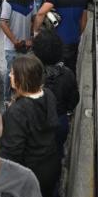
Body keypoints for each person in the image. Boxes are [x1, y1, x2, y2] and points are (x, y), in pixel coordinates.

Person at [0, 54, 60, 197]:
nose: (9, 75)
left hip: (30, 174)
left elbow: (11, 153)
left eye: (13, 73)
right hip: (51, 165)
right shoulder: (48, 94)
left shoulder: (17, 112)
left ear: (22, 79)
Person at [31, 30, 79, 159]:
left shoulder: (32, 74)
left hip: (36, 121)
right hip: (60, 120)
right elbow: (73, 100)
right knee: (57, 151)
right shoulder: (67, 73)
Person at [34, 0, 87, 73]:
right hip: (74, 40)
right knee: (71, 68)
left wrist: (36, 31)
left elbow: (40, 13)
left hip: (58, 41)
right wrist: (78, 33)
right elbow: (84, 20)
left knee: (57, 70)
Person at [0, 0, 35, 104]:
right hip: (12, 46)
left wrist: (31, 38)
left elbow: (34, 19)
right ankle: (7, 99)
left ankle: (23, 95)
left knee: (26, 72)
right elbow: (3, 23)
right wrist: (15, 41)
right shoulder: (8, 2)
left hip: (26, 45)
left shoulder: (31, 0)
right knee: (11, 73)